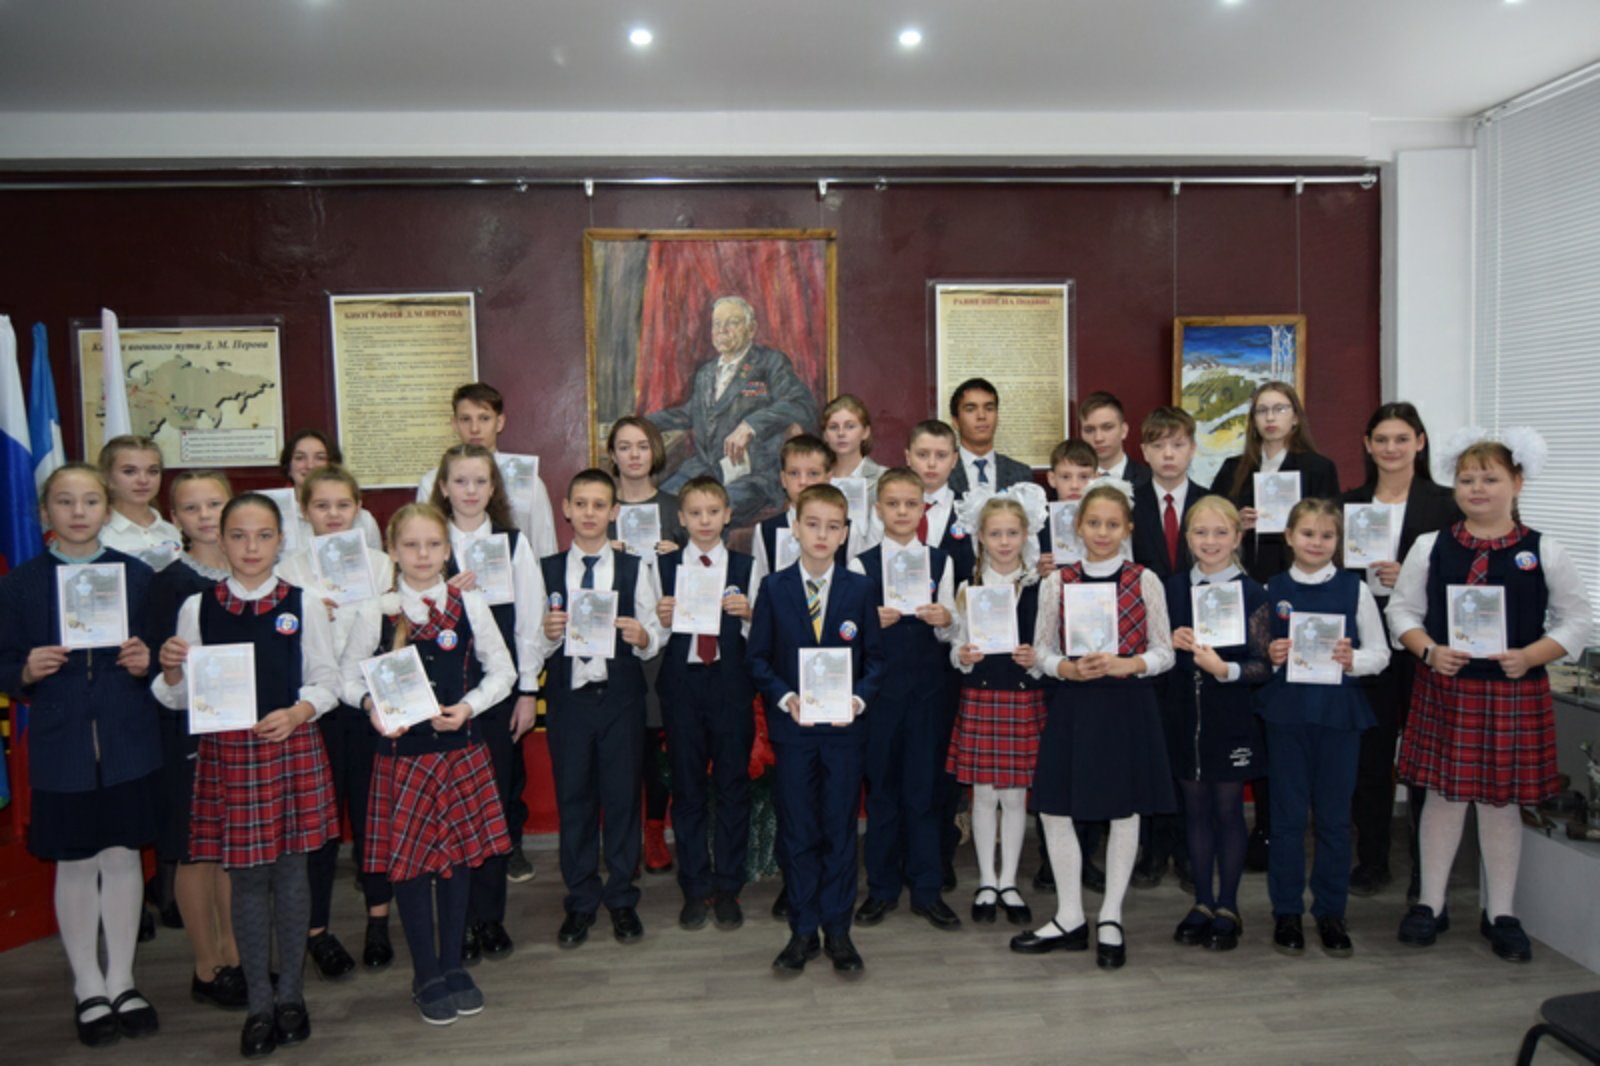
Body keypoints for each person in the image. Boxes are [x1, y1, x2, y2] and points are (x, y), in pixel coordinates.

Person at [153, 492, 342, 1058]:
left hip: (291, 746)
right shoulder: (199, 607)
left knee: (292, 874)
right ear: (221, 539)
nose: (251, 547)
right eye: (238, 535)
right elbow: (178, 698)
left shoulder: (303, 604)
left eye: (263, 536)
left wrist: (300, 711)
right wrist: (170, 672)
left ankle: (292, 996)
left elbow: (327, 681)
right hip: (230, 757)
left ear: (280, 540)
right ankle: (259, 1002)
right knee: (248, 880)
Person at [1391, 430, 1591, 962]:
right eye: (1466, 479)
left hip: (1513, 692)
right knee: (1443, 798)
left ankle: (1501, 913)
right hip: (1446, 689)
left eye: (1490, 478)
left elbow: (1576, 620)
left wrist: (1532, 655)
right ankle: (1430, 904)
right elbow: (1402, 611)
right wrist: (1429, 650)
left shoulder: (1543, 550)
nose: (1477, 488)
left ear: (1517, 483)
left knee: (1501, 804)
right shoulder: (1430, 546)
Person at [0, 463, 161, 1048]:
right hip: (61, 741)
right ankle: (87, 984)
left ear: (106, 509)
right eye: (64, 502)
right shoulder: (20, 585)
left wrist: (146, 663)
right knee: (74, 862)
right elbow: (3, 662)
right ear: (45, 512)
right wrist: (24, 671)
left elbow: (161, 658)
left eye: (90, 501)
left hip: (127, 740)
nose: (77, 512)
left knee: (121, 856)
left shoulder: (136, 576)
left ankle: (122, 980)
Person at [341, 503, 515, 1025]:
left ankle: (452, 964)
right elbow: (346, 680)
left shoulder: (469, 604)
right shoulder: (377, 610)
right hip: (404, 759)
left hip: (460, 753)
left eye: (433, 545)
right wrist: (371, 707)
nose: (423, 555)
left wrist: (469, 708)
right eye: (411, 545)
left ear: (448, 550)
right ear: (393, 551)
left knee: (457, 861)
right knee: (412, 867)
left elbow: (502, 671)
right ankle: (425, 973)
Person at [1016, 479, 1175, 969]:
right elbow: (1041, 650)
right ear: (1078, 528)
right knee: (1055, 809)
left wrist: (1131, 664)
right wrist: (1065, 668)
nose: (1102, 532)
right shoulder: (1056, 583)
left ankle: (1110, 916)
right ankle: (1069, 916)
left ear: (1127, 529)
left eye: (1112, 524)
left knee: (1124, 811)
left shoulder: (1145, 580)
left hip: (1127, 704)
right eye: (1093, 523)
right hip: (1075, 704)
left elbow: (1165, 650)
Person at [748, 483, 885, 974]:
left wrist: (857, 698)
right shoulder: (774, 588)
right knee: (799, 830)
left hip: (845, 733)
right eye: (812, 524)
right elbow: (758, 659)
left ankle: (839, 932)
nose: (822, 534)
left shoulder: (860, 589)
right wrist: (785, 697)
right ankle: (803, 930)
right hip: (795, 732)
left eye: (832, 526)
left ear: (845, 532)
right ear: (795, 528)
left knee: (840, 831)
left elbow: (876, 660)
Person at [1208, 381, 1340, 868]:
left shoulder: (1318, 467)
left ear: (1295, 416)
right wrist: (1237, 525)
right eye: (1261, 410)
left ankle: (1279, 828)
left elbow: (1330, 532)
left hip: (1296, 597)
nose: (1270, 418)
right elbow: (1212, 531)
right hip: (1244, 599)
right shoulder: (1233, 469)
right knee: (1253, 719)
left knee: (1287, 719)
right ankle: (1256, 828)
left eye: (1279, 409)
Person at [275, 465, 398, 979]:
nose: (333, 515)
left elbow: (396, 639)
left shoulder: (384, 565)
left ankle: (378, 920)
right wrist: (313, 620)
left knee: (374, 817)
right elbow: (285, 653)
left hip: (371, 708)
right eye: (321, 505)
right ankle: (317, 932)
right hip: (317, 713)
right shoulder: (288, 572)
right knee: (320, 828)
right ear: (304, 510)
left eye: (343, 505)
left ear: (358, 509)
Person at [538, 469, 665, 948]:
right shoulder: (547, 570)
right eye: (581, 504)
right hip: (570, 701)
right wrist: (548, 636)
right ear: (566, 509)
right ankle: (581, 899)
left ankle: (622, 898)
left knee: (622, 799)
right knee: (574, 800)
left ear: (614, 512)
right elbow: (531, 644)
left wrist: (644, 636)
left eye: (599, 505)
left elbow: (656, 632)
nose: (589, 513)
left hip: (620, 699)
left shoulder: (634, 568)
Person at [1258, 498, 1389, 959]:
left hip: (1339, 715)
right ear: (1289, 536)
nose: (1316, 543)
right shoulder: (1271, 589)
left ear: (1339, 541)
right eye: (1308, 533)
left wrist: (1355, 660)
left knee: (1334, 818)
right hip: (1288, 715)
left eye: (1327, 535)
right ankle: (1287, 911)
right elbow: (1257, 656)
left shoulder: (1355, 589)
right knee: (1287, 818)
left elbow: (1381, 654)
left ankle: (1331, 911)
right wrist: (1272, 656)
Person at [1339, 402, 1460, 901]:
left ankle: (1425, 870)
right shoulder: (1348, 503)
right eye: (1382, 439)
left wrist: (1410, 574)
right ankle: (1372, 860)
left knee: (1425, 760)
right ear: (1367, 445)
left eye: (1402, 439)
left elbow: (1463, 576)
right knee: (1370, 759)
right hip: (1367, 647)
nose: (1391, 448)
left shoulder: (1447, 504)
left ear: (1420, 443)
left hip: (1425, 648)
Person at [430, 445, 544, 965]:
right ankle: (456, 920)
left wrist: (528, 691)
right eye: (460, 481)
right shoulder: (428, 544)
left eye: (480, 481)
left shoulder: (513, 544)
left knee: (491, 805)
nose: (470, 491)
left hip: (497, 696)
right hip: (442, 698)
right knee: (449, 809)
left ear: (493, 488)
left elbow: (529, 622)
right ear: (444, 487)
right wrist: (442, 594)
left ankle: (489, 918)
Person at [148, 470, 247, 1008]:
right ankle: (206, 966)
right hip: (190, 730)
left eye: (215, 504)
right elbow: (156, 669)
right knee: (196, 849)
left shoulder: (254, 570)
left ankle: (235, 953)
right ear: (174, 518)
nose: (206, 516)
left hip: (246, 733)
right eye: (192, 508)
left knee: (234, 847)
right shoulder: (168, 583)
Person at [852, 468, 961, 931]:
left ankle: (927, 889)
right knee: (882, 792)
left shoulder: (940, 561)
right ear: (879, 509)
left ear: (922, 509)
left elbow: (954, 632)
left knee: (925, 791)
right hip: (880, 694)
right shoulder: (861, 564)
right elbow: (850, 635)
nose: (901, 511)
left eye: (910, 504)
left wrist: (945, 620)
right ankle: (881, 888)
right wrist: (869, 622)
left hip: (927, 693)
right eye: (892, 504)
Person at [1165, 496, 1270, 952]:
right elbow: (1151, 653)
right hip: (1183, 715)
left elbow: (1265, 664)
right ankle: (1202, 902)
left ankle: (1228, 905)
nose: (1210, 541)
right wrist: (1169, 641)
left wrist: (1224, 670)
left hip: (1231, 716)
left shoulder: (1254, 593)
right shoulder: (1171, 589)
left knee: (1227, 810)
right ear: (1187, 538)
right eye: (1200, 532)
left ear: (1237, 537)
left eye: (1221, 532)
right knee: (1194, 809)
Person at [653, 476, 757, 930]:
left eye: (713, 512)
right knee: (688, 789)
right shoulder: (663, 567)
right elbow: (649, 637)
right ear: (681, 518)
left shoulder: (747, 567)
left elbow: (767, 633)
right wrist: (660, 620)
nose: (705, 521)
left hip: (731, 686)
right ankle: (695, 887)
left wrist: (750, 614)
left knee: (733, 788)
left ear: (728, 515)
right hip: (683, 687)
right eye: (695, 513)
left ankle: (729, 886)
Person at [946, 488, 1050, 931]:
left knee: (1014, 796)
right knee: (984, 795)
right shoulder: (969, 587)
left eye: (1011, 533)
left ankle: (1009, 881)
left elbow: (1051, 644)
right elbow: (955, 644)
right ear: (981, 538)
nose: (1004, 542)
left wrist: (1037, 660)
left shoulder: (1042, 587)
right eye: (995, 534)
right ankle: (987, 880)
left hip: (1023, 696)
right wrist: (963, 655)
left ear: (1025, 535)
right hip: (982, 695)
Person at [646, 295, 820, 526]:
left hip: (754, 475)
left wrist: (751, 425)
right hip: (706, 468)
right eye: (717, 324)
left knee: (710, 513)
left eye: (732, 322)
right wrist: (641, 424)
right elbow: (690, 414)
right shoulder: (706, 373)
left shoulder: (770, 362)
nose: (722, 330)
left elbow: (801, 404)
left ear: (751, 329)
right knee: (660, 507)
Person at [1128, 406, 1208, 890]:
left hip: (1201, 644)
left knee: (1190, 749)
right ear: (1144, 452)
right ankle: (1154, 847)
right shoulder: (1130, 504)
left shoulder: (1210, 503)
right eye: (1158, 446)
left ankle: (1188, 849)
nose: (1169, 454)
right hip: (1146, 644)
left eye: (1178, 444)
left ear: (1192, 449)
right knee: (1151, 749)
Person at [605, 416, 687, 877]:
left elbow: (699, 574)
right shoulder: (602, 507)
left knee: (657, 741)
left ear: (654, 452)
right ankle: (621, 834)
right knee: (619, 742)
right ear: (612, 454)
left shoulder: (674, 508)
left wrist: (679, 556)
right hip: (613, 640)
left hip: (663, 641)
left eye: (642, 446)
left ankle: (655, 829)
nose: (634, 455)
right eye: (624, 446)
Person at [1031, 437, 1107, 895]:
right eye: (1066, 476)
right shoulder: (1039, 529)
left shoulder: (1109, 525)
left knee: (1096, 763)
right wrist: (1036, 572)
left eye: (1084, 476)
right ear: (1051, 480)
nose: (1075, 484)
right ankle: (1050, 858)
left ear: (1096, 478)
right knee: (1057, 765)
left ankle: (1089, 855)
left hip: (1100, 660)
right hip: (1057, 666)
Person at [417, 382, 558, 558]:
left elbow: (545, 548)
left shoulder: (527, 480)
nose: (474, 429)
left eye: (484, 418)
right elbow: (423, 539)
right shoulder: (432, 481)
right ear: (454, 424)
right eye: (465, 419)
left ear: (499, 422)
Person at [279, 429, 383, 550]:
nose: (310, 465)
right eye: (300, 458)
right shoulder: (276, 517)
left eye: (320, 458)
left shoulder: (363, 520)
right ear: (288, 466)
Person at [99, 434, 183, 571]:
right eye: (129, 472)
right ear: (107, 477)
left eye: (153, 471)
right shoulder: (98, 535)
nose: (143, 480)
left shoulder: (173, 532)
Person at [946, 378, 1033, 497]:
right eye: (970, 409)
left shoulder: (1021, 473)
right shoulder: (942, 471)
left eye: (989, 408)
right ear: (955, 421)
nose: (981, 416)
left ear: (997, 417)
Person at [1078, 392, 1153, 486]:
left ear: (1124, 430)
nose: (1098, 438)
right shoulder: (1069, 483)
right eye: (1089, 430)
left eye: (1107, 427)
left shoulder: (1151, 479)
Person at [821, 394, 887, 486]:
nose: (841, 433)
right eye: (833, 427)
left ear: (865, 432)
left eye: (850, 426)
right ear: (825, 435)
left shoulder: (884, 478)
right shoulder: (817, 477)